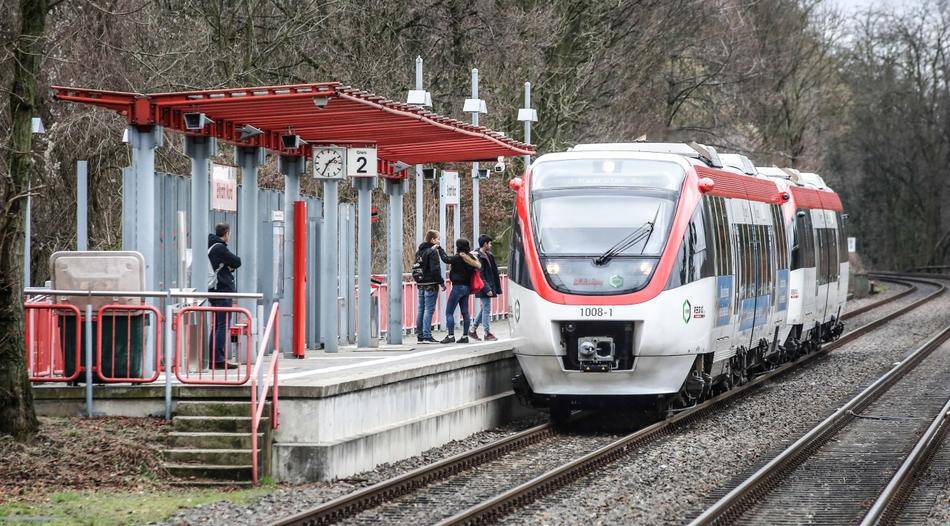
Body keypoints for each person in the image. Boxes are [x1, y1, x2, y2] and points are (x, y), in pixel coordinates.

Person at [208, 223, 241, 369]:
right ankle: (219, 360)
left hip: (214, 290)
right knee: (222, 326)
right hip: (222, 290)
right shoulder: (220, 247)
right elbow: (237, 261)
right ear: (226, 233)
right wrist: (230, 266)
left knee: (216, 326)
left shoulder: (210, 246)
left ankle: (213, 358)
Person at [437, 238, 481, 344]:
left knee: (449, 312)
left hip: (457, 287)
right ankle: (465, 336)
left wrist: (440, 249)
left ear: (458, 247)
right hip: (467, 288)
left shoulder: (458, 257)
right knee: (465, 312)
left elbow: (446, 259)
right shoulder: (471, 259)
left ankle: (451, 335)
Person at [414, 230, 445, 344]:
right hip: (431, 284)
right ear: (432, 240)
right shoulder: (432, 252)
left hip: (421, 284)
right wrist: (441, 282)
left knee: (421, 309)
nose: (438, 241)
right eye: (437, 238)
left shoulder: (419, 252)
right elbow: (435, 270)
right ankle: (427, 335)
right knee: (428, 310)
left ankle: (420, 336)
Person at [470, 234, 501, 341]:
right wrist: (487, 289)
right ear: (485, 244)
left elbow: (493, 272)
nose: (491, 245)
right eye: (489, 243)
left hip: (488, 285)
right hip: (483, 286)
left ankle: (473, 330)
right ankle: (487, 333)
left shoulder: (488, 255)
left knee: (485, 308)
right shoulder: (477, 256)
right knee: (487, 308)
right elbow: (480, 274)